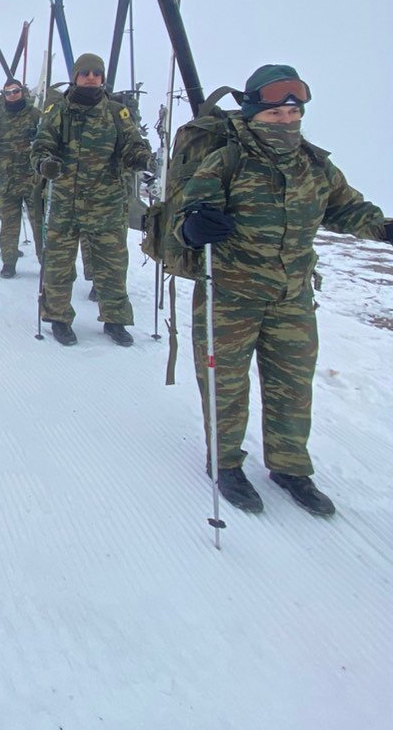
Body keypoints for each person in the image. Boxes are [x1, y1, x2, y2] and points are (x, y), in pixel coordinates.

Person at [179, 65, 392, 516]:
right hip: (231, 294)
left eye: (293, 113)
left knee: (292, 387)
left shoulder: (314, 165)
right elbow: (188, 214)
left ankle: (290, 467)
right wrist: (194, 226)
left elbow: (348, 209)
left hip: (291, 296)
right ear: (255, 113)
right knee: (225, 384)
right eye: (275, 113)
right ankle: (227, 463)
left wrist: (384, 228)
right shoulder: (227, 159)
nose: (286, 121)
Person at [31, 52, 153, 346]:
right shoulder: (58, 111)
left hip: (106, 204)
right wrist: (44, 163)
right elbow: (41, 145)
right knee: (59, 266)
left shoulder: (115, 112)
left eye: (96, 72)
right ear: (75, 76)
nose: (90, 77)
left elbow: (131, 145)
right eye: (84, 72)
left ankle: (115, 320)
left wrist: (141, 158)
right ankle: (58, 318)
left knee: (111, 267)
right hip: (65, 202)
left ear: (102, 78)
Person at [0, 76, 44, 276]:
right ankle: (9, 262)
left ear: (22, 92)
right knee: (9, 224)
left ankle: (46, 261)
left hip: (33, 180)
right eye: (8, 92)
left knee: (39, 223)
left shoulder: (35, 114)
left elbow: (49, 139)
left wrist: (39, 136)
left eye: (16, 91)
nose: (12, 95)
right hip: (7, 181)